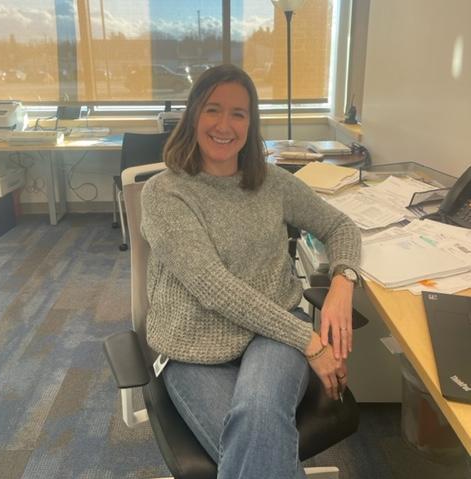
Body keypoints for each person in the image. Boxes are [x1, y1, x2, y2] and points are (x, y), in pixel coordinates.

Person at [141, 64, 361, 479]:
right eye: (213, 110)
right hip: (193, 345)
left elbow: (340, 226)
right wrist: (311, 343)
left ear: (250, 123)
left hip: (273, 334)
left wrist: (342, 283)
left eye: (238, 113)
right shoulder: (164, 193)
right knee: (257, 439)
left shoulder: (272, 183)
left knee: (258, 412)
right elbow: (213, 287)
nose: (225, 125)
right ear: (193, 115)